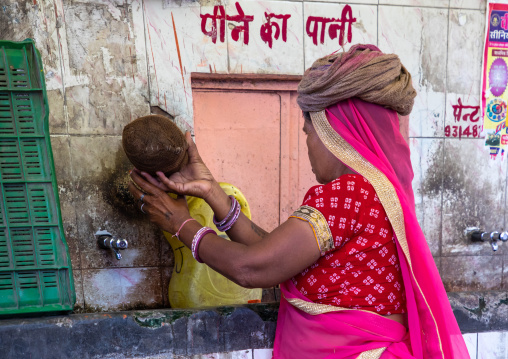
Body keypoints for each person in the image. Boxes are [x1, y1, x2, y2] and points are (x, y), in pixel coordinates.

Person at [128, 44, 469, 358]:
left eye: (307, 133)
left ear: (331, 129)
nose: (307, 146)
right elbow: (278, 255)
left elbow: (253, 267)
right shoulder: (377, 192)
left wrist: (182, 226)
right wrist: (211, 190)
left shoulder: (348, 194)